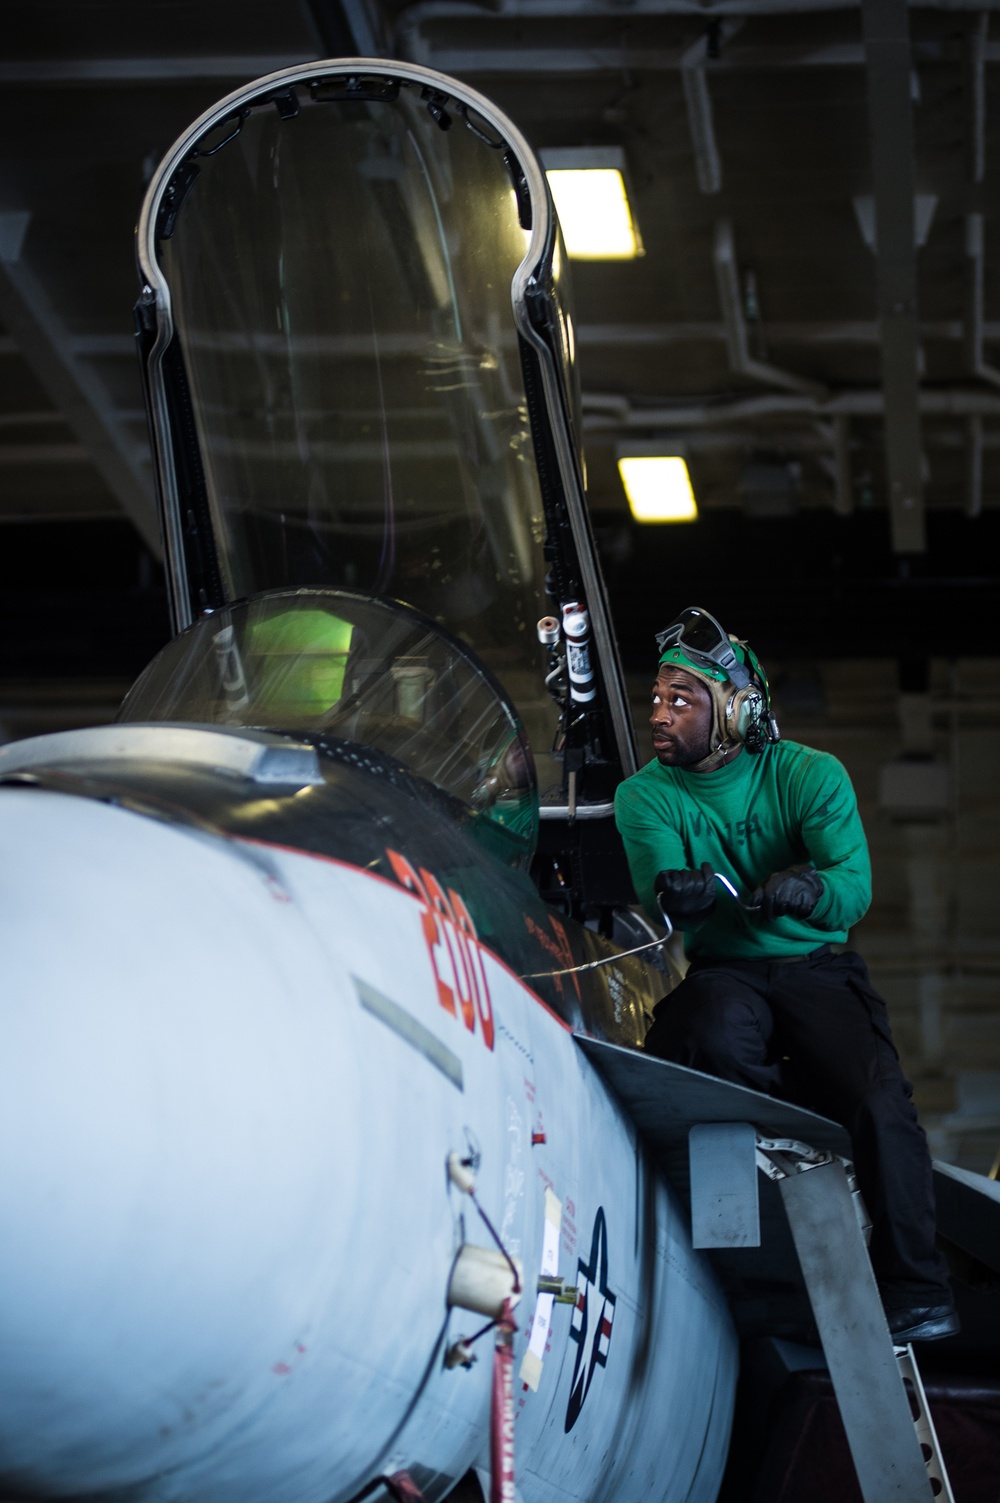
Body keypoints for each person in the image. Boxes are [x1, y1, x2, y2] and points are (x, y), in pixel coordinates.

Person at [614, 606, 957, 1343]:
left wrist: (812, 888)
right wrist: (680, 896)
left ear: (737, 711)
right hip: (724, 969)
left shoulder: (810, 774)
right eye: (658, 699)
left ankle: (916, 1286)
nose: (660, 714)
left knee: (877, 1097)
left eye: (682, 700)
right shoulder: (643, 795)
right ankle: (791, 1136)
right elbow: (659, 892)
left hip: (815, 965)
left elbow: (854, 886)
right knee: (700, 1032)